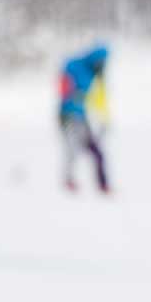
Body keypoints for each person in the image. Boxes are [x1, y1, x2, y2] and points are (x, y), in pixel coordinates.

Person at [58, 43, 110, 194]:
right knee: (73, 148)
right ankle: (68, 181)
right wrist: (74, 96)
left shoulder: (96, 74)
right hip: (68, 116)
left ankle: (102, 184)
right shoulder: (73, 66)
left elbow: (99, 98)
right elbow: (63, 89)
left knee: (95, 151)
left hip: (82, 116)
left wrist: (105, 118)